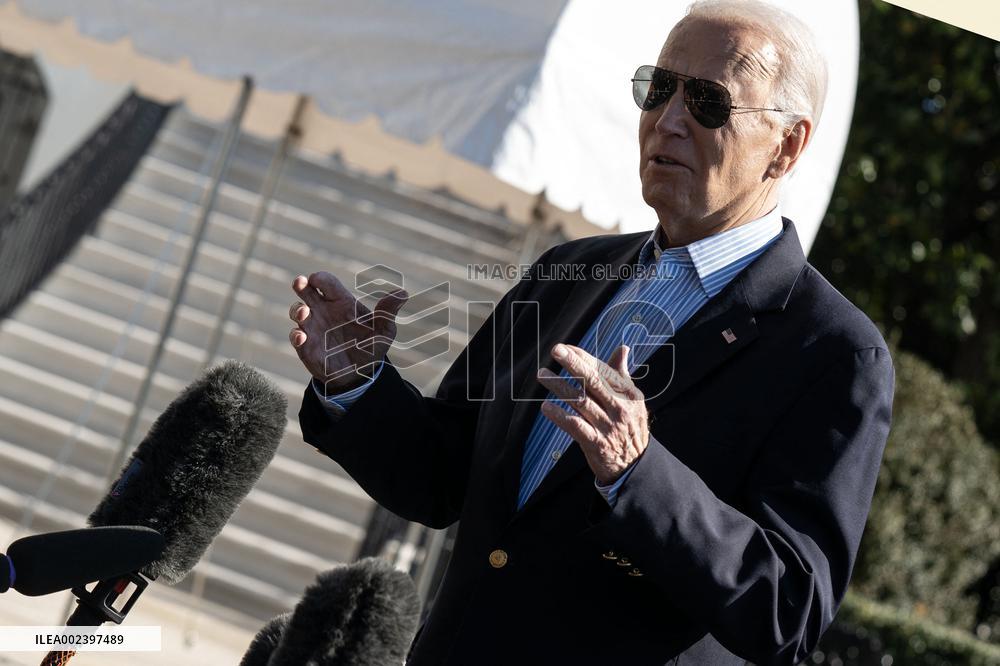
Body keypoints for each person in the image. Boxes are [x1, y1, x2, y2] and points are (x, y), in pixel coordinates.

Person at [288, 1, 895, 663]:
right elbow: (441, 476)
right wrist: (359, 383)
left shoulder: (833, 352)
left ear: (787, 145)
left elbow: (789, 610)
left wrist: (639, 475)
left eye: (708, 102)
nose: (667, 120)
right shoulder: (568, 269)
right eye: (657, 89)